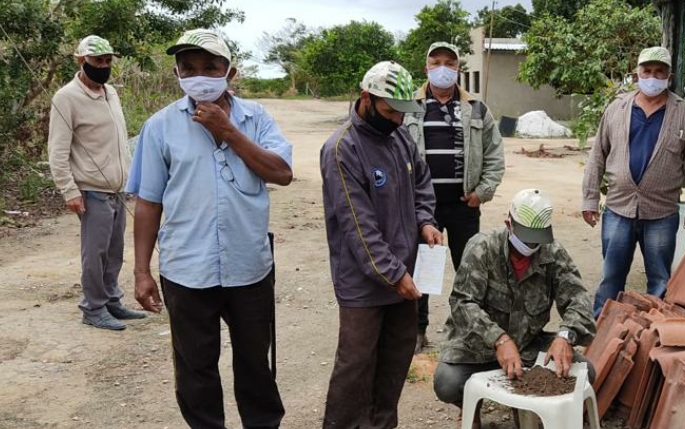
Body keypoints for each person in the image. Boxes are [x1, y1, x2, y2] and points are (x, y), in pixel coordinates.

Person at [127, 29, 293, 428]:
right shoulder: (160, 126)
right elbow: (148, 203)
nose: (199, 75)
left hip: (249, 265)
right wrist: (141, 270)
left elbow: (282, 173)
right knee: (195, 370)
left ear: (229, 72)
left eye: (209, 67)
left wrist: (227, 131)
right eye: (189, 68)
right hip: (186, 268)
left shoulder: (256, 118)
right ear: (178, 73)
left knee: (255, 365)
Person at [320, 60, 444, 429]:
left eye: (403, 113)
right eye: (391, 111)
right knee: (355, 367)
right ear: (366, 98)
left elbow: (422, 182)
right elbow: (359, 226)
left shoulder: (399, 137)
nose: (398, 120)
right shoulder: (342, 148)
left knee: (395, 360)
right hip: (365, 283)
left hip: (405, 276)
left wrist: (425, 221)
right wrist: (393, 274)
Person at [434, 189, 597, 428]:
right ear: (508, 223)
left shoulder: (552, 253)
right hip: (479, 347)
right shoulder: (483, 249)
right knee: (446, 382)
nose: (531, 245)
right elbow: (462, 303)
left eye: (536, 239)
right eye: (526, 236)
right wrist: (498, 338)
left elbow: (578, 299)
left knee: (586, 373)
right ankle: (471, 407)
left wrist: (565, 336)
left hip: (528, 345)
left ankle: (527, 407)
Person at [582, 46, 685, 318]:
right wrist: (590, 198)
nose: (652, 77)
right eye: (647, 71)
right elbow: (597, 156)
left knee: (660, 279)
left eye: (659, 72)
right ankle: (600, 325)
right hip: (619, 208)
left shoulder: (683, 113)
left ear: (669, 76)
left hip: (661, 212)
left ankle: (654, 330)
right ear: (637, 74)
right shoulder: (617, 108)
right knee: (612, 275)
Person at [404, 41, 505, 353]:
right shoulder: (410, 106)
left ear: (458, 69)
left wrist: (482, 192)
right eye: (436, 62)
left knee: (468, 271)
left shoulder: (476, 108)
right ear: (426, 68)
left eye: (449, 63)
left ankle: (466, 329)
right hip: (423, 210)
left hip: (464, 206)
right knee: (423, 270)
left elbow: (495, 155)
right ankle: (418, 331)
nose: (442, 69)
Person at [47, 35, 145, 331]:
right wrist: (69, 190)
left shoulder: (110, 92)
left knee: (114, 251)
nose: (103, 66)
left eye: (107, 61)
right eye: (96, 61)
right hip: (91, 190)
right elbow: (58, 150)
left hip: (117, 188)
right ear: (81, 61)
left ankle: (112, 299)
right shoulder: (66, 97)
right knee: (95, 253)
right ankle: (93, 307)